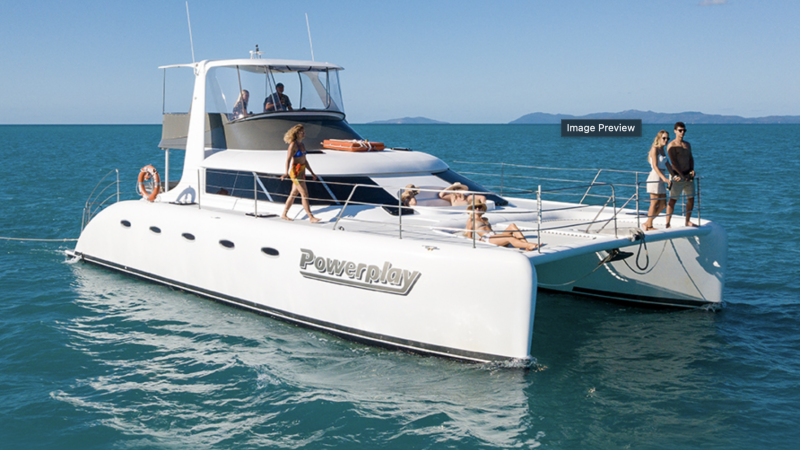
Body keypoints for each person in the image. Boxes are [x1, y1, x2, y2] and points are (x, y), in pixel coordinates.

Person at [280, 124, 320, 223]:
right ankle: (311, 217)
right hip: (295, 172)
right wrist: (286, 173)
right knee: (304, 193)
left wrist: (312, 173)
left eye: (304, 132)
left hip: (302, 171)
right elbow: (288, 160)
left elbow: (304, 161)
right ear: (297, 133)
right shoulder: (293, 145)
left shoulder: (302, 144)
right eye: (302, 132)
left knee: (294, 193)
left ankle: (284, 214)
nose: (304, 134)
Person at [465, 201, 539, 251]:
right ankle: (528, 245)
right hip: (488, 239)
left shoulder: (485, 219)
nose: (477, 209)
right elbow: (469, 237)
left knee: (512, 226)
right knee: (509, 237)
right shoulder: (471, 220)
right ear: (472, 209)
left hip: (494, 236)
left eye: (479, 207)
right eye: (475, 207)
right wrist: (478, 241)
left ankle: (526, 245)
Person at [665, 122, 697, 228]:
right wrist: (682, 176)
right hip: (677, 177)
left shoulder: (687, 145)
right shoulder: (671, 145)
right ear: (675, 131)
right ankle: (667, 223)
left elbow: (690, 158)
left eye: (684, 130)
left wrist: (692, 170)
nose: (682, 132)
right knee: (673, 200)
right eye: (680, 130)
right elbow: (674, 162)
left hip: (688, 175)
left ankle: (687, 221)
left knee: (691, 198)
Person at [642, 130, 673, 231]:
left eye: (667, 138)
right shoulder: (654, 149)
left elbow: (668, 165)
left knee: (663, 205)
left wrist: (675, 175)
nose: (666, 140)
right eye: (664, 138)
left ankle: (647, 223)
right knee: (654, 203)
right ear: (659, 138)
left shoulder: (662, 150)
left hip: (662, 178)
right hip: (655, 177)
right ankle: (649, 226)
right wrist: (664, 178)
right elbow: (655, 166)